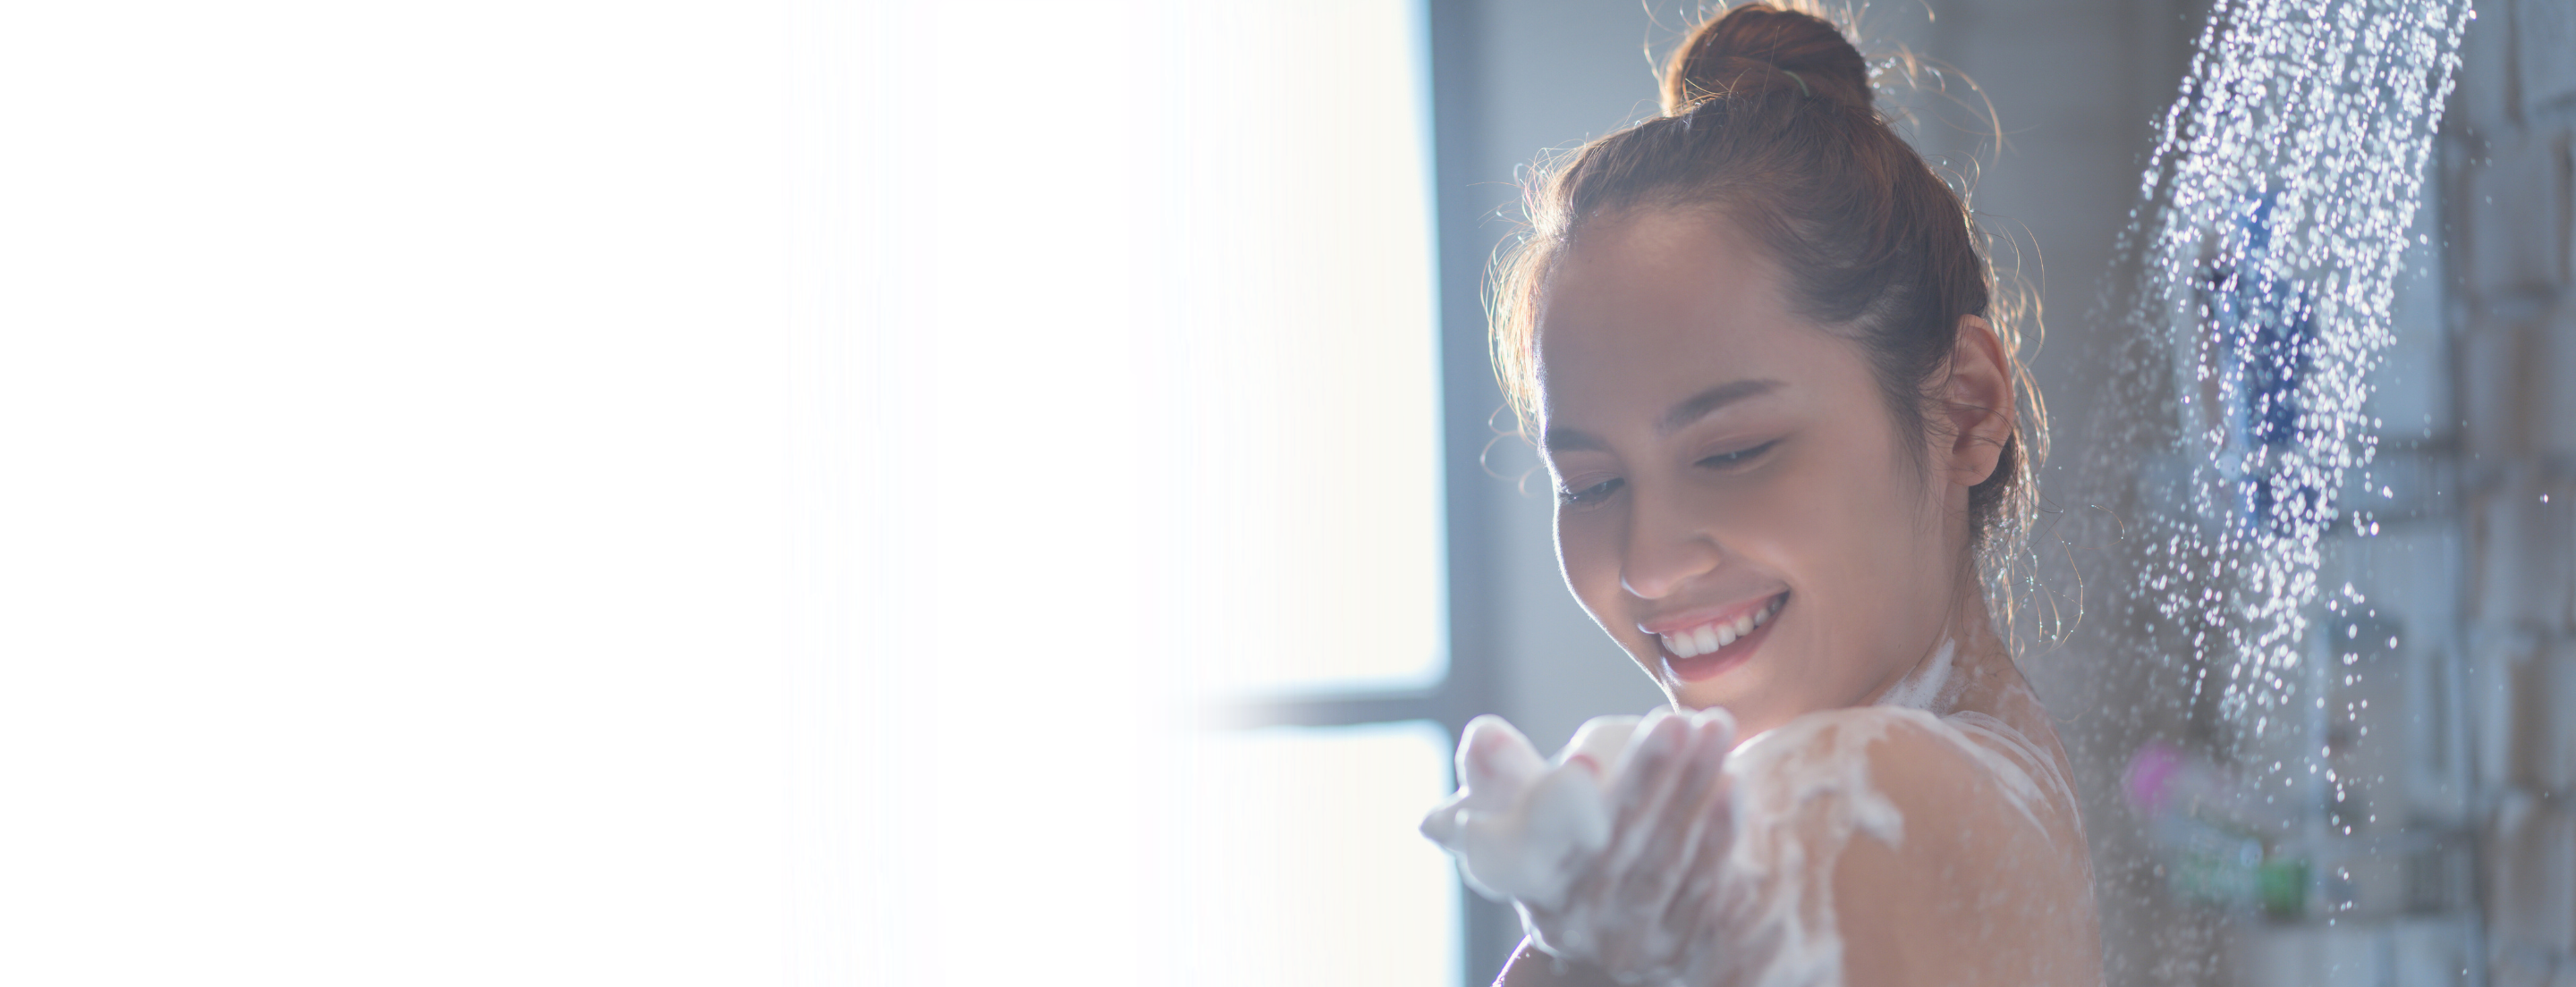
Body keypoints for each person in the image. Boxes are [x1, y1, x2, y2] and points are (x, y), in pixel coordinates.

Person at [1466, 4, 2102, 983]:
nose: (1647, 564)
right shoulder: (1992, 782)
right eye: (1591, 484)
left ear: (1968, 410)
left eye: (1733, 453)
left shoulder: (1849, 799)